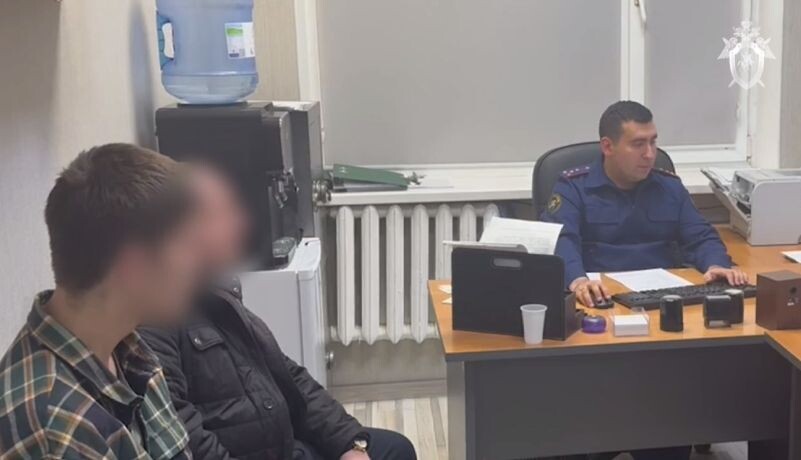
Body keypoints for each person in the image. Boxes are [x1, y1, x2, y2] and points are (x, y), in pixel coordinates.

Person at [139, 166, 416, 460]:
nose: (238, 224)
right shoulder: (154, 319)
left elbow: (290, 377)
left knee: (395, 449)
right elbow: (185, 436)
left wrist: (349, 444)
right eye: (219, 216)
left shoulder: (217, 294)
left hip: (285, 443)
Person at [0, 144, 203, 459]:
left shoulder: (126, 350)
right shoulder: (55, 431)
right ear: (134, 265)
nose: (199, 263)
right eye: (187, 245)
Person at [542, 100, 748, 309]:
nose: (649, 154)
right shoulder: (573, 187)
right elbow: (561, 241)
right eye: (638, 144)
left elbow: (701, 237)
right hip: (600, 300)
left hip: (664, 300)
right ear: (608, 147)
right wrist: (578, 281)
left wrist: (716, 264)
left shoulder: (669, 187)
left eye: (653, 142)